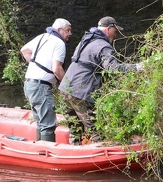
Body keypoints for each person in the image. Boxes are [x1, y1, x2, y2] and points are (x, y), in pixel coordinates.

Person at [59, 16, 144, 144]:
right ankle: (98, 157)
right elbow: (113, 68)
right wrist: (137, 67)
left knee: (76, 130)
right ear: (109, 29)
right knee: (96, 131)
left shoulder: (86, 40)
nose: (115, 35)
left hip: (66, 88)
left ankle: (74, 152)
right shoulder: (103, 46)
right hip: (80, 92)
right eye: (115, 31)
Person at [20, 18, 72, 142]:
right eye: (68, 30)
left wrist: (36, 65)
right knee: (48, 125)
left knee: (41, 123)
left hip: (29, 84)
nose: (70, 33)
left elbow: (24, 50)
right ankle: (46, 154)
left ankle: (40, 151)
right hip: (41, 87)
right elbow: (57, 69)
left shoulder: (42, 37)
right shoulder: (59, 43)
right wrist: (68, 86)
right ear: (59, 30)